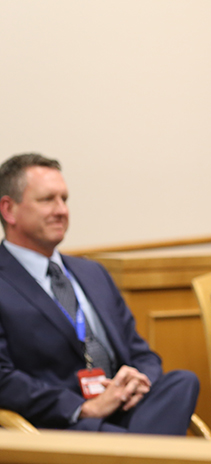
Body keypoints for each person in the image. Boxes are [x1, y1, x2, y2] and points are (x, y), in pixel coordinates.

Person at [0, 153, 199, 434]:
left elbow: (141, 352)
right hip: (63, 421)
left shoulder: (93, 273)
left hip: (126, 406)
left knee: (183, 381)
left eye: (64, 199)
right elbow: (3, 378)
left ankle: (134, 449)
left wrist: (137, 382)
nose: (62, 210)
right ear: (9, 210)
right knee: (148, 442)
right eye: (47, 200)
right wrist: (83, 408)